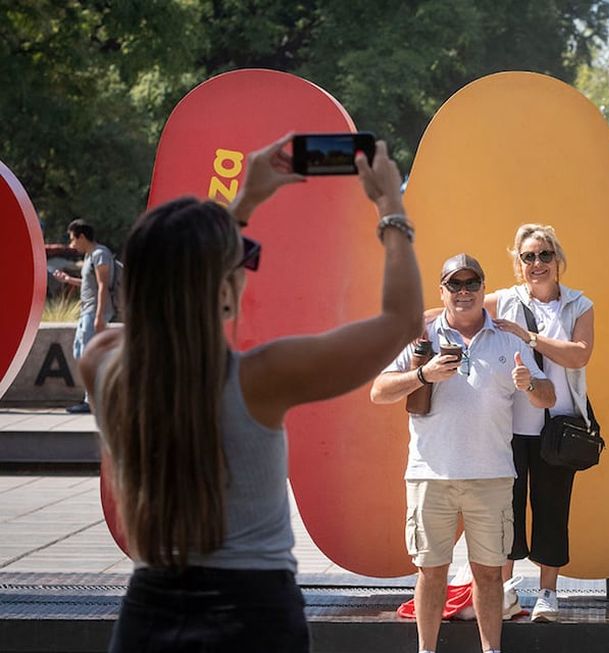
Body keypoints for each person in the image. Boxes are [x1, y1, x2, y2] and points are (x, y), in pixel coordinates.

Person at [79, 134, 422, 653]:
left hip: (147, 615)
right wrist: (390, 205)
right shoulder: (261, 379)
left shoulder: (104, 366)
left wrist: (239, 210)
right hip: (253, 618)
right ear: (221, 291)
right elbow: (401, 322)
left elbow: (166, 303)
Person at [370, 254, 555, 653]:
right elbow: (378, 391)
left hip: (491, 477)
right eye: (455, 284)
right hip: (429, 475)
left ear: (483, 288)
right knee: (430, 573)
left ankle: (491, 650)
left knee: (489, 575)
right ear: (443, 291)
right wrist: (424, 374)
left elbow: (547, 397)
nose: (464, 292)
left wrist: (529, 384)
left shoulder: (508, 340)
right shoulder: (422, 337)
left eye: (472, 283)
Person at [487, 224, 595, 623]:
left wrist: (528, 337)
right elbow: (460, 311)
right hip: (509, 428)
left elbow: (579, 355)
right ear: (518, 263)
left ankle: (548, 593)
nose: (537, 263)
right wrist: (409, 322)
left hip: (558, 429)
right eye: (528, 256)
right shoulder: (506, 300)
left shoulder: (579, 304)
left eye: (544, 255)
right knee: (506, 511)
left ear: (557, 259)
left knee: (552, 510)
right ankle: (506, 591)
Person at [53, 219, 115, 413]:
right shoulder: (90, 256)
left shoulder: (100, 254)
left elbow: (103, 285)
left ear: (82, 236)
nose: (72, 244)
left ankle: (93, 401)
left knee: (88, 356)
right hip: (86, 311)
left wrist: (99, 316)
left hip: (94, 311)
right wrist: (68, 279)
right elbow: (90, 284)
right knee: (80, 353)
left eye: (73, 239)